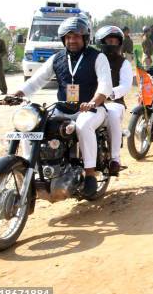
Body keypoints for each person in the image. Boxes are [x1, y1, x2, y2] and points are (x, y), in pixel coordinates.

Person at [10, 16, 113, 197]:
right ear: (63, 39)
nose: (72, 40)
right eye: (68, 37)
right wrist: (17, 94)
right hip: (62, 108)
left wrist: (93, 102)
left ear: (85, 38)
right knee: (32, 128)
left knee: (83, 126)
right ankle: (30, 169)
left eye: (76, 36)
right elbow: (37, 80)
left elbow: (105, 85)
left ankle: (89, 174)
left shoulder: (98, 57)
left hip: (92, 109)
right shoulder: (57, 58)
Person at [95, 26, 133, 176]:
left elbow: (125, 86)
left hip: (113, 103)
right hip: (90, 102)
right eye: (109, 40)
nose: (112, 44)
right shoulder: (92, 59)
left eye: (115, 41)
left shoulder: (123, 63)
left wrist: (109, 94)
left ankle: (115, 159)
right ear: (101, 42)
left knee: (111, 116)